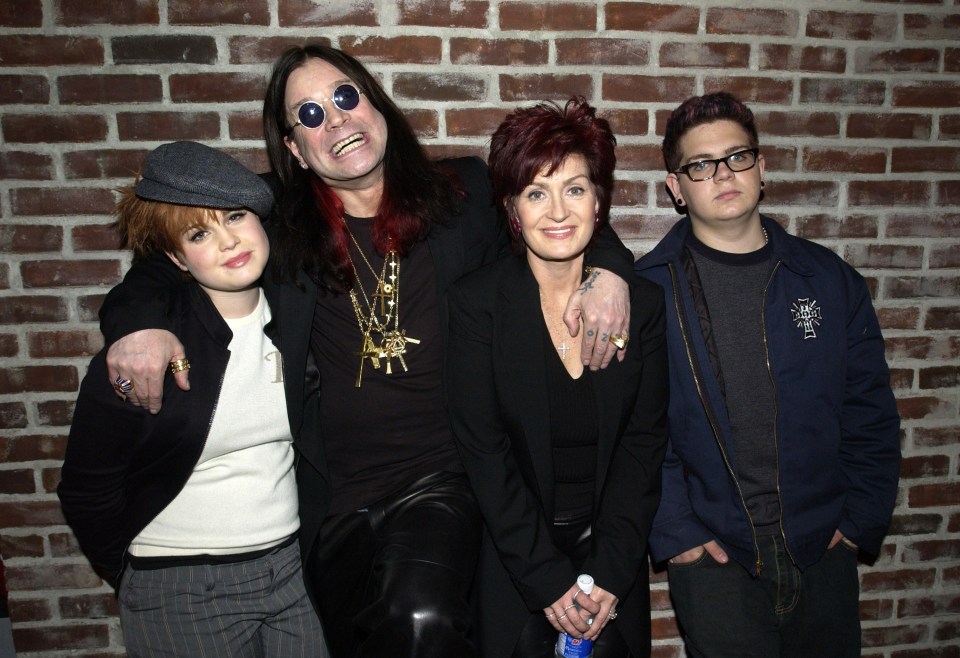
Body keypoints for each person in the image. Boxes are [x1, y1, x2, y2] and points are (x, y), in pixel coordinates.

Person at [95, 45, 636, 657]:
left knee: (421, 615)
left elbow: (560, 214)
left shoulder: (464, 194)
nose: (338, 120)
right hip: (333, 501)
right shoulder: (270, 221)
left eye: (346, 96)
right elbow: (158, 266)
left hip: (443, 476)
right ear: (295, 149)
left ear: (376, 103)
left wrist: (611, 272)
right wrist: (135, 324)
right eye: (311, 113)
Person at [634, 92, 901, 657]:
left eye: (737, 157)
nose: (722, 174)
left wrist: (858, 521)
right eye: (699, 165)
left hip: (822, 545)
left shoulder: (828, 281)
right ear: (676, 188)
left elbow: (870, 412)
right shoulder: (647, 292)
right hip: (715, 557)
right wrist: (678, 533)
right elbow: (637, 430)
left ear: (762, 169)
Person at [57, 141, 327, 657]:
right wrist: (140, 580)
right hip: (181, 587)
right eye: (200, 233)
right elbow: (86, 489)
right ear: (177, 257)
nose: (228, 241)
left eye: (235, 215)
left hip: (294, 575)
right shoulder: (145, 352)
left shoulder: (298, 316)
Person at [446, 97, 669, 658]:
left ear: (599, 202)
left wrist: (611, 573)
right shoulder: (477, 305)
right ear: (512, 210)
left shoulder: (640, 304)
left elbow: (643, 448)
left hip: (611, 556)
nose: (558, 211)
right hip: (514, 558)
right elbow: (484, 453)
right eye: (536, 192)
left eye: (574, 188)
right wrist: (547, 580)